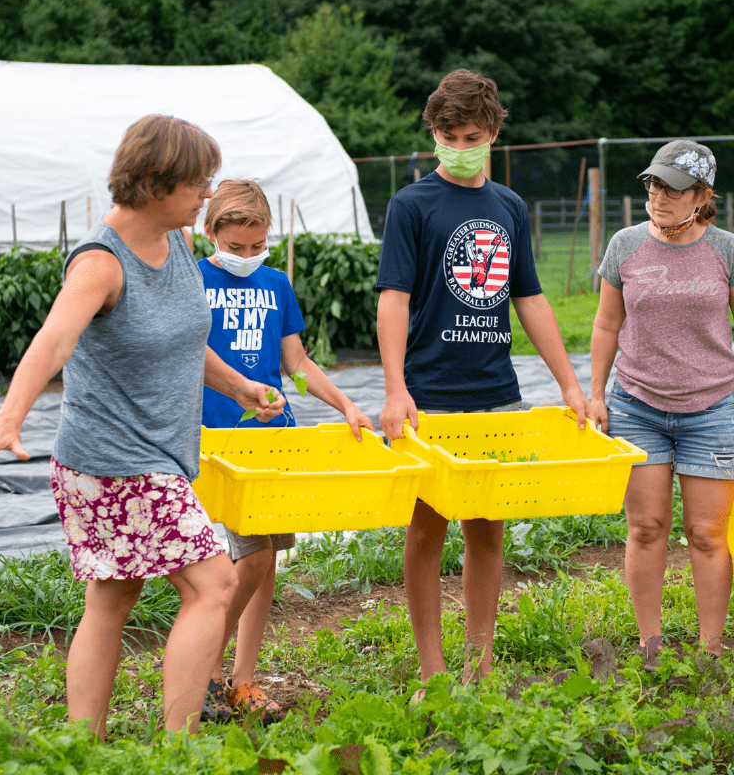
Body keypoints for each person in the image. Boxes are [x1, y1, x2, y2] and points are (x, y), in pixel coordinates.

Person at [0, 115, 286, 738]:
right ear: (156, 185)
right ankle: (178, 745)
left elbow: (187, 339)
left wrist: (241, 387)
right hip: (113, 461)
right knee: (214, 584)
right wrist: (10, 415)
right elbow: (53, 340)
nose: (208, 194)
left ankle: (85, 742)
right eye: (198, 183)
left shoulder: (176, 243)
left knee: (112, 597)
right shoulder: (102, 263)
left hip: (149, 456)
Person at [375, 69, 590, 692]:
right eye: (447, 134)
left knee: (487, 527)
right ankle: (433, 667)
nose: (458, 144)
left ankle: (480, 662)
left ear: (494, 133)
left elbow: (530, 298)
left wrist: (570, 385)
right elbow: (392, 299)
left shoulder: (508, 208)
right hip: (428, 395)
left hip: (495, 393)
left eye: (470, 134)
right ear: (433, 135)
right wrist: (395, 390)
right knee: (425, 528)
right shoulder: (412, 204)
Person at [197, 179, 375, 723]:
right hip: (216, 438)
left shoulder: (276, 284)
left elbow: (296, 362)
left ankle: (242, 679)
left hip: (275, 438)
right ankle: (201, 669)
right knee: (250, 556)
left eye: (256, 246)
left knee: (268, 554)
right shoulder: (192, 279)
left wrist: (345, 404)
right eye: (235, 246)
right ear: (210, 233)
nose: (247, 257)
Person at [589, 140, 733, 659]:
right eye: (653, 184)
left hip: (714, 408)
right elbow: (607, 324)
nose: (659, 196)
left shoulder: (725, 249)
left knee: (707, 535)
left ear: (701, 196)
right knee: (646, 527)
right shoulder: (626, 245)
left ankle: (709, 650)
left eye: (673, 188)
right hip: (637, 405)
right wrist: (595, 395)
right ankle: (650, 642)